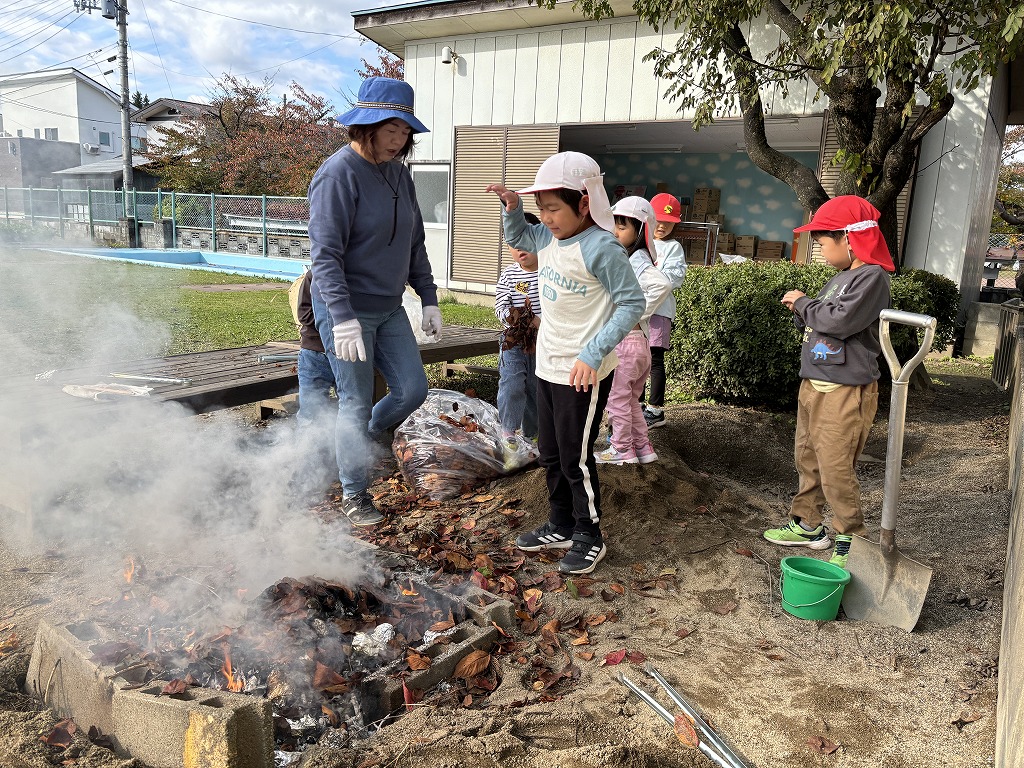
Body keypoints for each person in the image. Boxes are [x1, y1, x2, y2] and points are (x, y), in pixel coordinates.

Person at [486, 152, 645, 575]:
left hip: (584, 370)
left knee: (575, 457)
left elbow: (632, 303)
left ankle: (589, 534)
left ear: (583, 202)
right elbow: (521, 237)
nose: (547, 218)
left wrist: (593, 353)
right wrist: (514, 210)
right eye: (542, 209)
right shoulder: (549, 238)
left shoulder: (602, 247)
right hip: (548, 363)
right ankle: (559, 524)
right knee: (550, 453)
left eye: (553, 208)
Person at [308, 77, 441, 527]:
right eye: (393, 130)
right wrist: (341, 317)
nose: (401, 140)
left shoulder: (399, 174)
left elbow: (413, 241)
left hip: (388, 306)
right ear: (367, 125)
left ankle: (354, 444)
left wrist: (428, 296)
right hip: (345, 310)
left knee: (412, 390)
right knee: (355, 400)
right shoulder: (337, 174)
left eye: (406, 133)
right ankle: (354, 493)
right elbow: (325, 254)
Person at [762, 196, 894, 568]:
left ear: (849, 239)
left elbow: (838, 321)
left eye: (822, 242)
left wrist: (804, 304)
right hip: (816, 381)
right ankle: (807, 524)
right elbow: (823, 318)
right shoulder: (842, 278)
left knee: (836, 464)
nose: (819, 249)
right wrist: (802, 311)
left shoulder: (871, 277)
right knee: (807, 456)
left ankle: (851, 537)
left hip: (845, 388)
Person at [597, 197, 672, 465]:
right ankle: (643, 448)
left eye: (622, 226)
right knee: (630, 402)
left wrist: (634, 313)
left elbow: (661, 285)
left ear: (640, 230)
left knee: (616, 400)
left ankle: (621, 450)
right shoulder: (634, 256)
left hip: (626, 344)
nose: (615, 231)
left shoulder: (637, 259)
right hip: (640, 343)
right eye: (614, 225)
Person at [495, 211, 542, 444]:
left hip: (543, 342)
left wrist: (540, 320)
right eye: (513, 244)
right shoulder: (509, 274)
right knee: (512, 383)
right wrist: (514, 318)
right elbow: (501, 306)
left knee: (536, 389)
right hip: (513, 341)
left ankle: (533, 435)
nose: (520, 249)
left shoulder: (549, 271)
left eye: (525, 241)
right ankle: (508, 434)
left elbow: (559, 304)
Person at [642, 192, 688, 429]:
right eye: (657, 220)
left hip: (659, 311)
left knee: (654, 359)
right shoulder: (640, 242)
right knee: (637, 357)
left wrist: (648, 280)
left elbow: (672, 279)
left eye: (668, 223)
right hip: (636, 311)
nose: (661, 226)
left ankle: (655, 409)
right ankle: (636, 403)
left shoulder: (673, 248)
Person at [290, 270, 336, 425]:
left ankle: (341, 446)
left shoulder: (359, 276)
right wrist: (338, 322)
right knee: (310, 414)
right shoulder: (314, 274)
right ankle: (307, 448)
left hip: (346, 356)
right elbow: (304, 314)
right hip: (315, 354)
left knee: (351, 409)